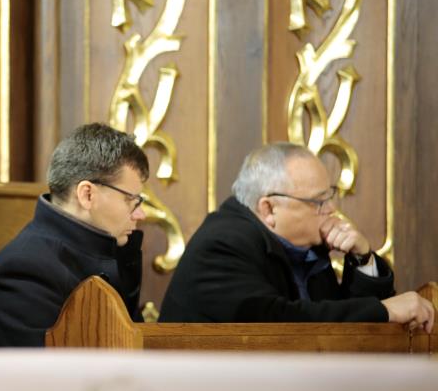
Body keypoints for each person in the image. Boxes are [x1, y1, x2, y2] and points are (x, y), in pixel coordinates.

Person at [159, 142, 435, 332]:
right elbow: (279, 323)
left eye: (330, 196)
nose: (331, 209)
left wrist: (363, 259)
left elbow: (347, 329)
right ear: (269, 209)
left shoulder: (308, 245)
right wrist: (384, 310)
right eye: (318, 201)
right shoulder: (223, 243)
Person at [0, 123, 149, 346]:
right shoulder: (24, 271)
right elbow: (51, 366)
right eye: (131, 200)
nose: (141, 214)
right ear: (87, 195)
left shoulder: (112, 252)